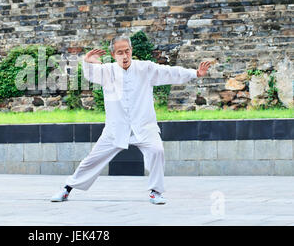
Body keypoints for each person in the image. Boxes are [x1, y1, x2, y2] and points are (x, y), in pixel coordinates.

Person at [50, 35, 211, 204]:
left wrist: (195, 73)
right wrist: (88, 61)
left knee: (157, 151)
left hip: (144, 125)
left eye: (127, 51)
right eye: (120, 52)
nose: (125, 56)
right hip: (115, 129)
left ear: (131, 51)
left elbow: (170, 72)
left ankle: (155, 192)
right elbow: (90, 74)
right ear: (113, 55)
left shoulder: (145, 68)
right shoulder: (107, 71)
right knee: (92, 159)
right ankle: (67, 188)